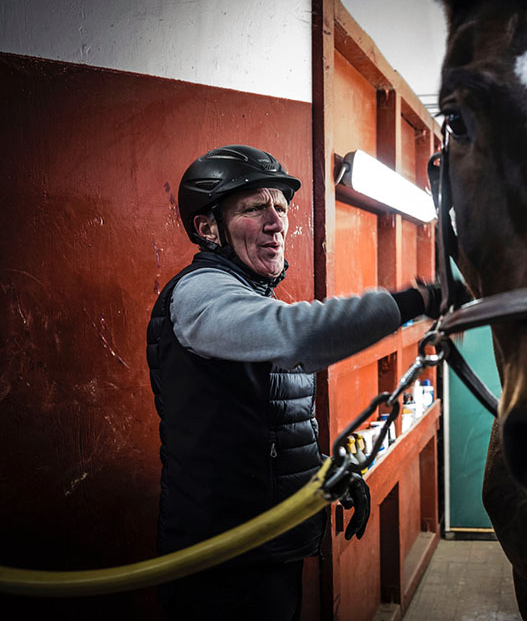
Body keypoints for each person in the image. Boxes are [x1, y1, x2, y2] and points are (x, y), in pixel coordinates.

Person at [148, 145, 443, 620]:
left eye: (281, 208)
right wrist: (417, 301)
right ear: (207, 228)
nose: (277, 223)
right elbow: (299, 334)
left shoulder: (253, 302)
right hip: (220, 564)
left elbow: (257, 433)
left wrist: (320, 472)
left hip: (268, 550)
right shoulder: (200, 293)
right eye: (254, 208)